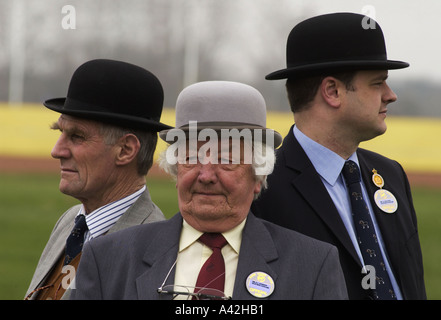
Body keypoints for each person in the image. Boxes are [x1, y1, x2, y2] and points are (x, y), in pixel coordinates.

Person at [71, 81, 348, 300]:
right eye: (191, 157)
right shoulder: (108, 258)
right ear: (175, 169)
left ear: (257, 175)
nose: (205, 175)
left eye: (226, 160)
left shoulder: (312, 266)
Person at [252, 13, 426, 300]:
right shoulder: (260, 186)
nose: (390, 94)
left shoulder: (391, 175)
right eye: (377, 83)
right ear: (332, 91)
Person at [25, 59, 171, 300]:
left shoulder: (153, 253)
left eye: (77, 136)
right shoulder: (71, 222)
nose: (56, 150)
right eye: (60, 132)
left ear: (125, 150)